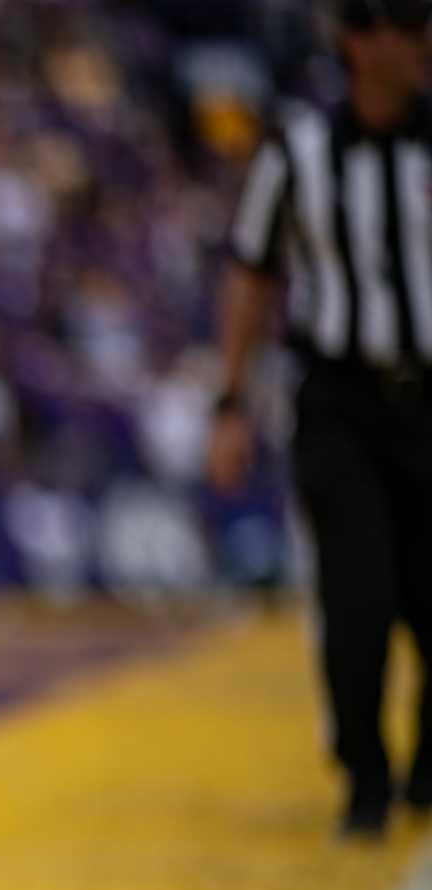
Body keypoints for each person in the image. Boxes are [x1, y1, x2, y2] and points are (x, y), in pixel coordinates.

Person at [210, 0, 432, 838]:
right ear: (356, 42)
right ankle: (365, 777)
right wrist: (231, 400)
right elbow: (251, 272)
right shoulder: (300, 151)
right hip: (341, 399)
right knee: (357, 589)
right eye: (403, 26)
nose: (420, 43)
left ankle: (425, 765)